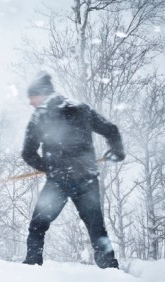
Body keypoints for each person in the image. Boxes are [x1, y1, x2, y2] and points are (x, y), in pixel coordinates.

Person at [21, 71, 125, 269]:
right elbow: (111, 130)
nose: (30, 103)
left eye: (32, 97)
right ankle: (109, 268)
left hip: (60, 181)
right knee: (96, 227)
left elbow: (28, 153)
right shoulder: (81, 108)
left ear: (41, 94)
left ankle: (31, 267)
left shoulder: (40, 116)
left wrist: (49, 167)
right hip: (85, 178)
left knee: (38, 225)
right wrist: (118, 151)